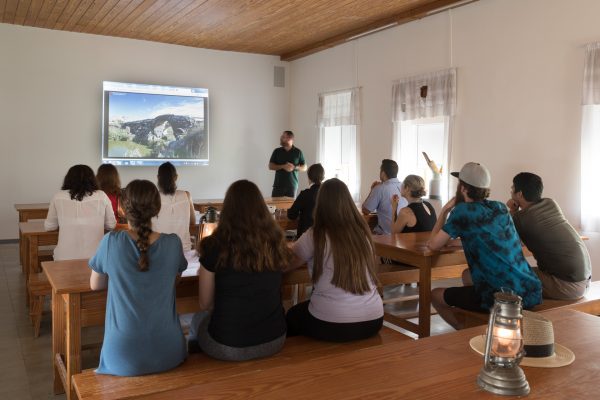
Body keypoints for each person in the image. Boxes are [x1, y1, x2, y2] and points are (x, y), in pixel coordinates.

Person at [89, 180, 187, 376]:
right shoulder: (174, 243)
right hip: (170, 352)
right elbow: (174, 280)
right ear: (157, 208)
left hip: (122, 356)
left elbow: (95, 285)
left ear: (122, 210)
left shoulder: (111, 242)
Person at [428, 162, 541, 330]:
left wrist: (444, 210)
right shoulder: (500, 208)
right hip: (530, 289)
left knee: (435, 295)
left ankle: (464, 330)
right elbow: (491, 237)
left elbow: (432, 245)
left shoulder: (461, 212)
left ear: (464, 188)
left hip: (500, 296)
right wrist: (458, 241)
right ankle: (479, 325)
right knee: (467, 275)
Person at [189, 180, 291, 361]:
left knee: (197, 319)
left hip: (228, 346)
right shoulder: (276, 243)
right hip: (275, 340)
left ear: (227, 210)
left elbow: (205, 304)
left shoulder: (214, 246)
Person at [286, 178, 384, 342]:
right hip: (374, 319)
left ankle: (301, 363)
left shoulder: (316, 234)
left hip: (332, 322)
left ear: (321, 203)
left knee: (292, 316)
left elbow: (288, 264)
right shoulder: (363, 233)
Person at [507, 172, 591, 300]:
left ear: (520, 194)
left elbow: (505, 240)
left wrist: (512, 210)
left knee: (507, 274)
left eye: (512, 188)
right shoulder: (551, 203)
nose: (511, 190)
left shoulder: (521, 219)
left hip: (567, 285)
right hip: (585, 281)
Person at [45, 164, 116, 260]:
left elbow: (49, 227)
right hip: (96, 258)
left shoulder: (58, 196)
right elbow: (111, 225)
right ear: (93, 179)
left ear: (68, 179)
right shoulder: (101, 196)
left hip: (64, 258)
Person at [152, 162, 196, 253]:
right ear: (176, 177)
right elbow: (192, 221)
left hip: (159, 250)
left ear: (158, 177)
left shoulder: (152, 197)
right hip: (183, 250)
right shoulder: (187, 195)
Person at [362, 159, 407, 234]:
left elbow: (365, 210)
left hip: (386, 235)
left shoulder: (380, 188)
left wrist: (372, 190)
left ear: (383, 173)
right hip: (403, 234)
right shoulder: (405, 187)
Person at [287, 163, 324, 239]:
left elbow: (291, 215)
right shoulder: (329, 193)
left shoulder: (305, 194)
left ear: (309, 178)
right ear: (323, 177)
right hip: (323, 238)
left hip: (306, 237)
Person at [268, 130, 306, 197]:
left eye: (283, 137)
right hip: (278, 186)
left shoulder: (298, 152)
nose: (281, 138)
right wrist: (283, 166)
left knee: (291, 207)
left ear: (289, 138)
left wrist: (294, 167)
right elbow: (270, 166)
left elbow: (304, 167)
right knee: (276, 207)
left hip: (292, 186)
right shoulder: (277, 151)